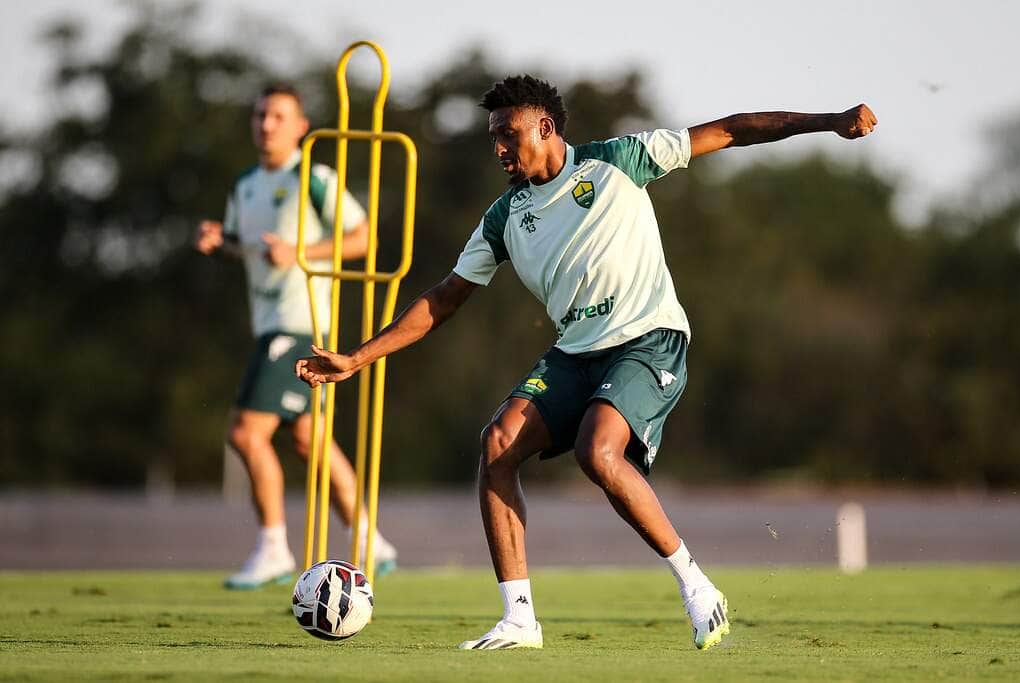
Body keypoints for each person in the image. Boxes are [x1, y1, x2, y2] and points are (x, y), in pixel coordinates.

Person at [295, 75, 877, 649]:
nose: (498, 147)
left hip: (649, 339)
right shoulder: (503, 218)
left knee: (597, 451)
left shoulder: (620, 160)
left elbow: (729, 131)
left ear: (545, 127)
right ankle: (520, 620)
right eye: (492, 136)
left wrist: (828, 122)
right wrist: (358, 358)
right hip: (576, 352)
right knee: (497, 444)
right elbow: (444, 297)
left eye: (508, 133)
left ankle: (698, 589)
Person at [195, 83, 398, 589]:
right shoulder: (244, 185)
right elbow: (247, 248)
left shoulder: (315, 177)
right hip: (267, 321)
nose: (267, 125)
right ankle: (371, 540)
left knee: (246, 433)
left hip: (300, 321)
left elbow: (364, 237)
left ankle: (273, 549)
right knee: (309, 440)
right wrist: (219, 243)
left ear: (301, 126)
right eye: (261, 115)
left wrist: (302, 252)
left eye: (279, 116)